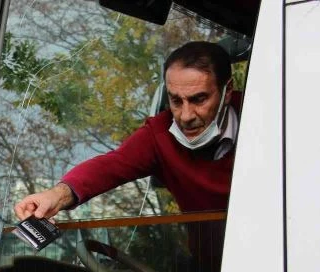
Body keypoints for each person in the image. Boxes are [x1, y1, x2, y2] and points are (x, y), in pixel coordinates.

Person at [14, 40, 240, 220]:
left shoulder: (268, 122)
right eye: (176, 101)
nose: (186, 116)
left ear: (227, 91)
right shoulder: (159, 134)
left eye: (199, 99)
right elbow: (111, 166)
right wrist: (56, 195)